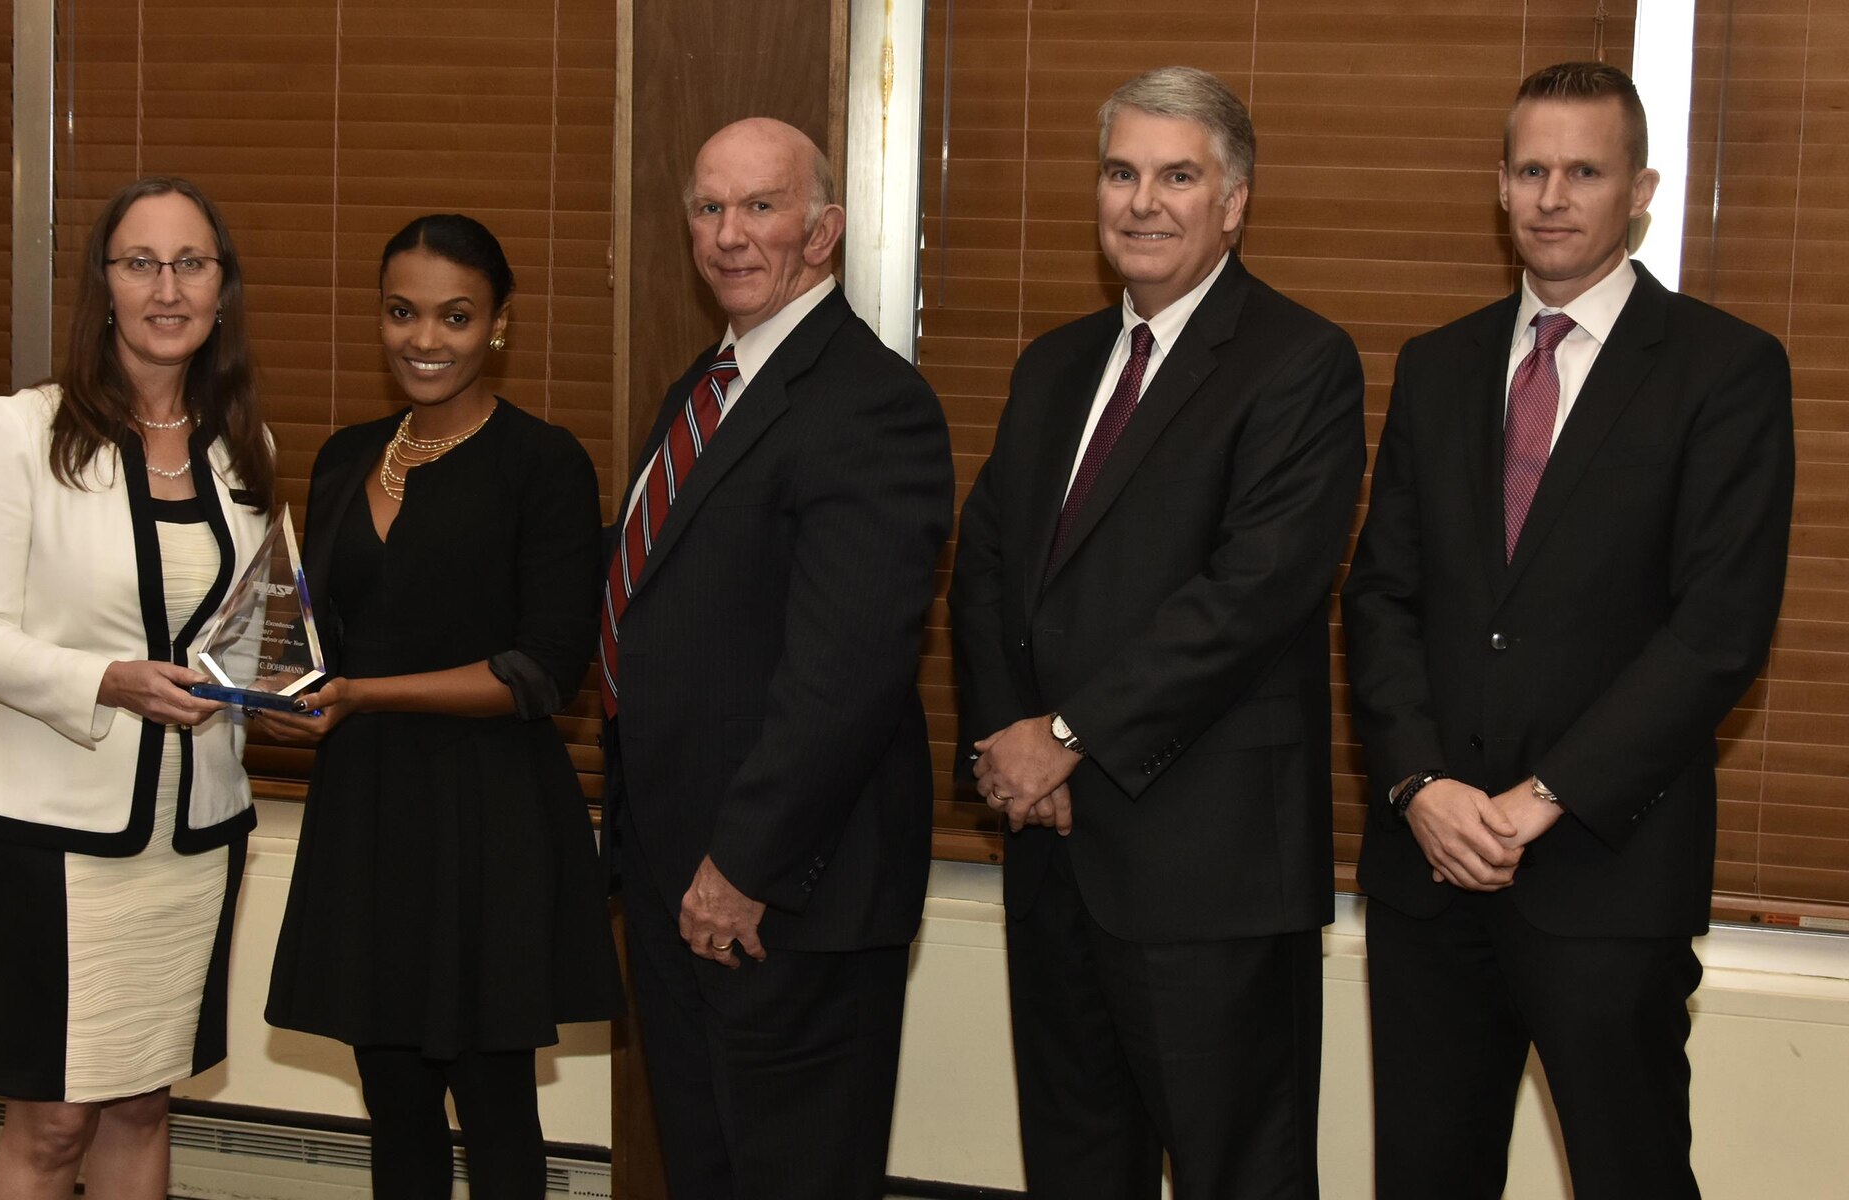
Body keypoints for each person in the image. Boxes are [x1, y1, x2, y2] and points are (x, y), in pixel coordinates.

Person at [1342, 61, 1796, 1200]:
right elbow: (1379, 596)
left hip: (1604, 877)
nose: (1551, 196)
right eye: (1530, 170)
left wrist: (1538, 801)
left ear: (1637, 190)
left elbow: (1715, 632)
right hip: (1427, 876)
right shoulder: (1436, 366)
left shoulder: (1723, 368)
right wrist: (1417, 788)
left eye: (1582, 171)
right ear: (1497, 186)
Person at [950, 67, 1365, 1200]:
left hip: (1207, 870)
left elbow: (1250, 593)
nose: (1142, 201)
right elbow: (985, 563)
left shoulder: (1297, 361)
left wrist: (1069, 733)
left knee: (1241, 1173)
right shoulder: (1052, 366)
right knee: (1077, 1167)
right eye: (1121, 172)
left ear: (1231, 201)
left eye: (1176, 176)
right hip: (1053, 849)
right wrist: (1006, 742)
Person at [599, 117, 952, 1200]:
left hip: (784, 898)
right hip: (675, 878)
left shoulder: (869, 404)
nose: (729, 234)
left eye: (761, 206)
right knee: (705, 1172)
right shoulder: (702, 390)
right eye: (708, 207)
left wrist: (743, 868)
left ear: (824, 230)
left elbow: (842, 674)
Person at [258, 214, 620, 1200]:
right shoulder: (344, 456)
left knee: (494, 1105)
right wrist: (271, 694)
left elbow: (542, 671)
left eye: (455, 316)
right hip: (367, 810)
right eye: (402, 312)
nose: (426, 339)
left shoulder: (543, 464)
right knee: (395, 1100)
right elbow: (309, 641)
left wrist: (360, 694)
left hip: (486, 816)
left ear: (498, 325)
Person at [0, 175, 275, 1200]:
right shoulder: (19, 432)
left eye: (190, 263)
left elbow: (249, 633)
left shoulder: (239, 448)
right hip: (49, 835)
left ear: (222, 288)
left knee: (140, 1101)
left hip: (194, 831)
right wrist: (108, 681)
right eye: (140, 264)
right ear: (104, 287)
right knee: (53, 1121)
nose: (167, 289)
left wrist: (257, 685)